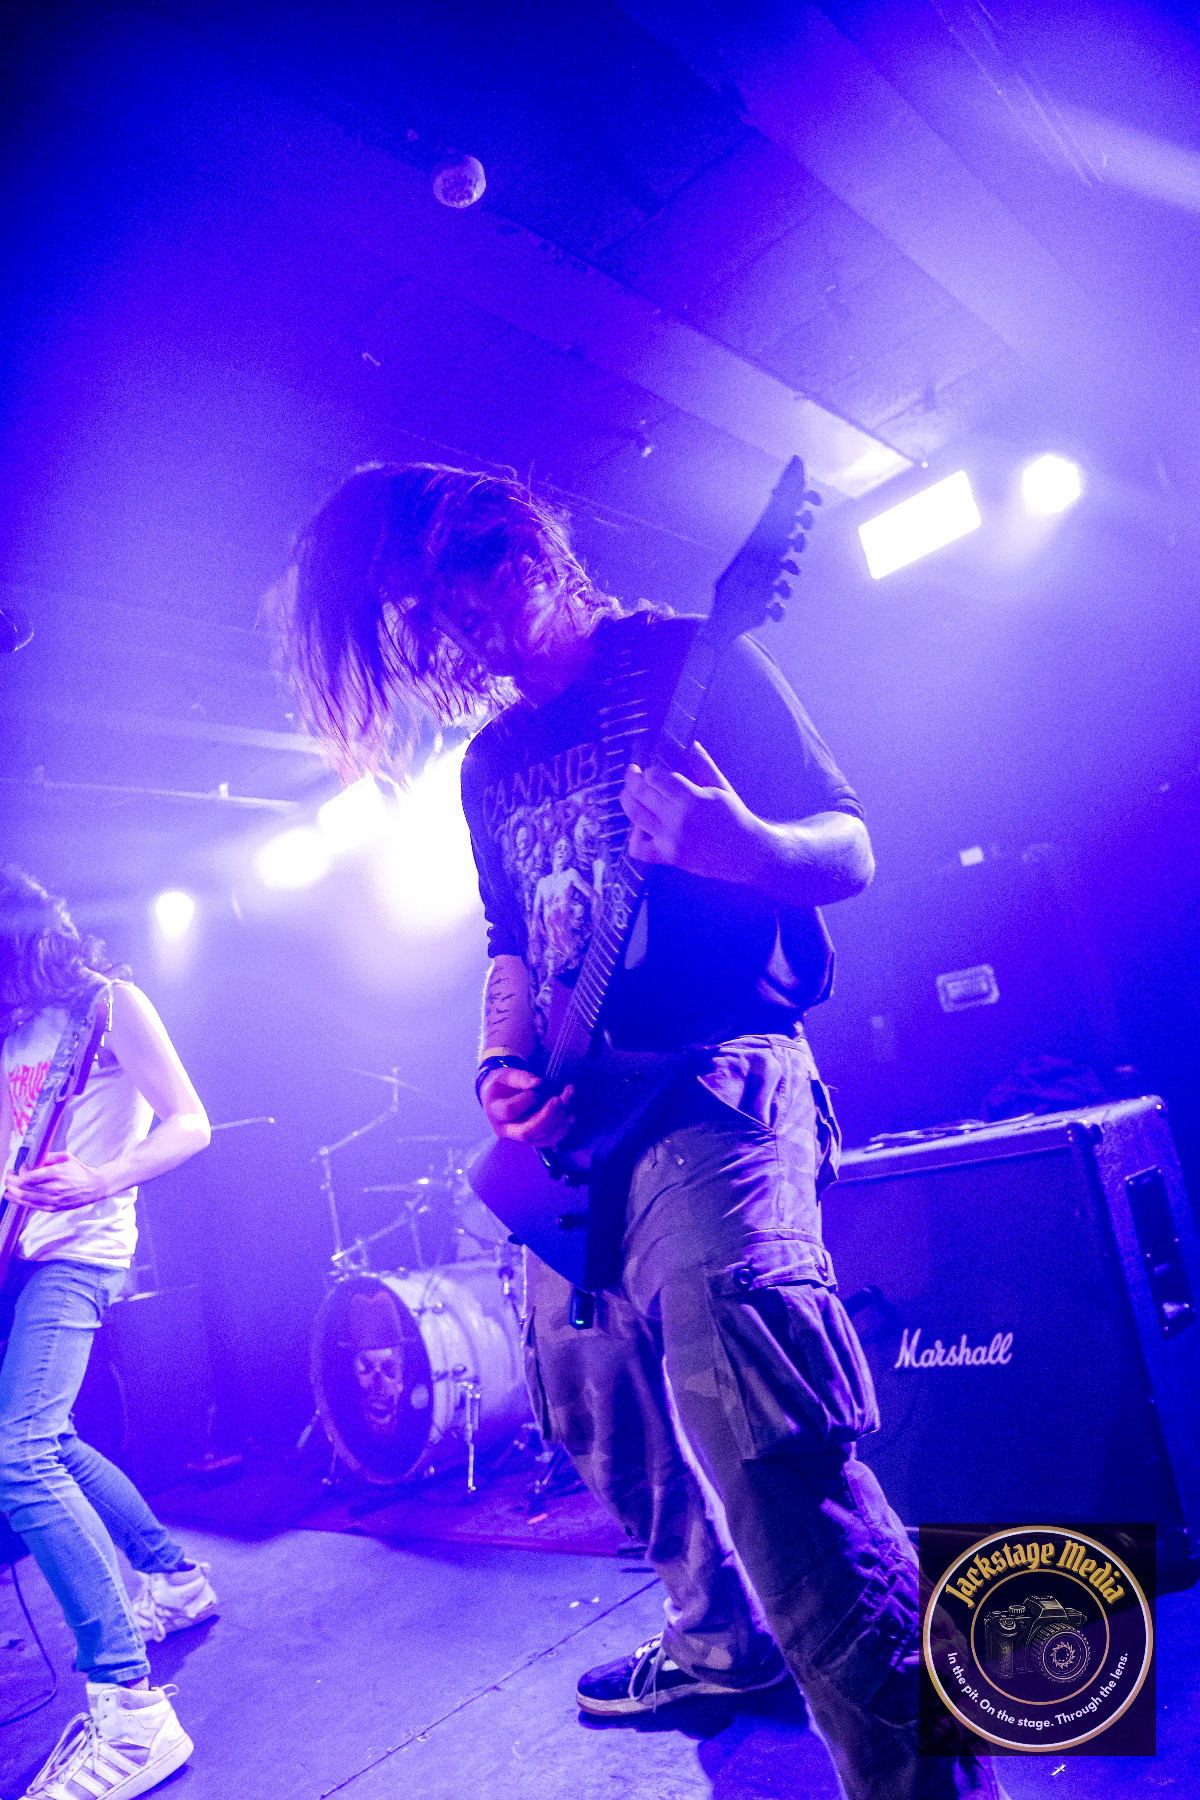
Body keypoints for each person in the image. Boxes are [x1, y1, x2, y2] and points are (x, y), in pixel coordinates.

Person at [277, 463, 1007, 1800]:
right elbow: (509, 941)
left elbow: (850, 850)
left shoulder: (687, 661)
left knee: (760, 1431)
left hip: (718, 1082)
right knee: (583, 1393)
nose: (456, 654)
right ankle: (717, 1641)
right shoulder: (491, 762)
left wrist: (741, 846)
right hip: (582, 1124)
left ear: (518, 554)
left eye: (458, 614)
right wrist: (500, 1061)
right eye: (425, 641)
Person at [0, 868, 218, 1800]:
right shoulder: (12, 1029)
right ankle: (174, 1579)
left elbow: (190, 1124)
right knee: (48, 1440)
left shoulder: (106, 1003)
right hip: (20, 1254)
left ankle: (133, 1712)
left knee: (19, 1454)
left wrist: (99, 1179)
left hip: (81, 1252)